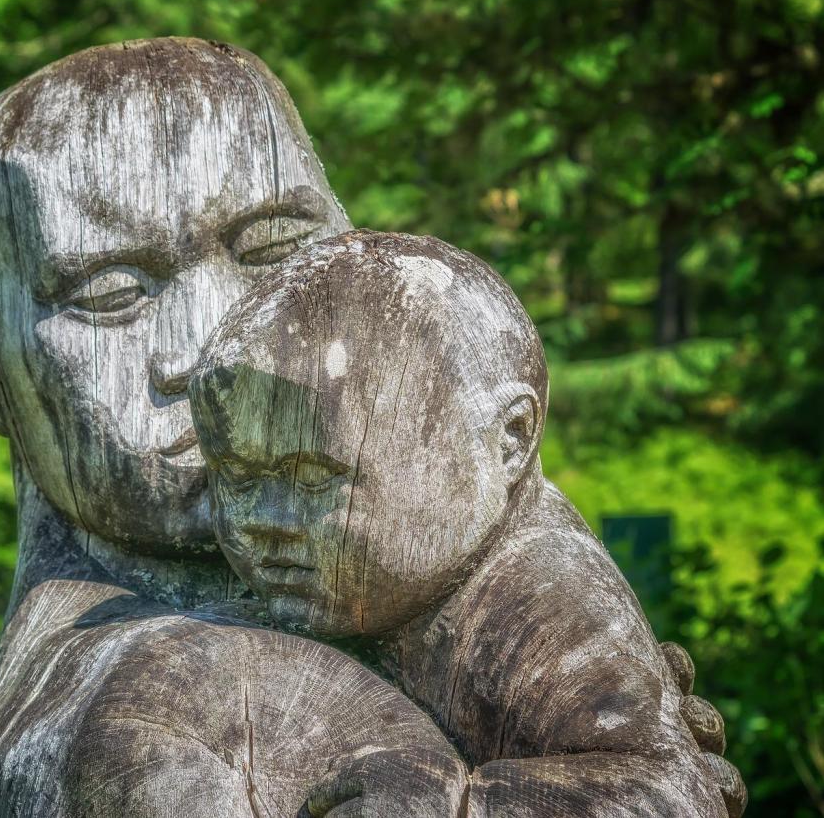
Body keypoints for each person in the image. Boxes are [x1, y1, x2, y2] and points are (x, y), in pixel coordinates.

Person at [0, 39, 743, 817]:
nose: (218, 341)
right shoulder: (151, 715)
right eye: (109, 293)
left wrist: (611, 760)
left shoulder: (470, 524)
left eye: (276, 246)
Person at [189, 230, 745, 815]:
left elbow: (669, 794)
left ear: (508, 441)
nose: (266, 521)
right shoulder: (404, 579)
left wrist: (457, 804)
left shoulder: (540, 598)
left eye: (312, 477)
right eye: (238, 476)